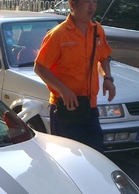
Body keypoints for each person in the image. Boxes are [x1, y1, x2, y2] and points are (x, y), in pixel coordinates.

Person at [34, 0, 116, 153]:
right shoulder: (58, 34)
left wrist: (107, 78)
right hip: (66, 109)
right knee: (68, 162)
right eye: (86, 2)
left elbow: (103, 56)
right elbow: (40, 67)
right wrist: (63, 90)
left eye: (94, 1)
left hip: (89, 108)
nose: (92, 6)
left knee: (95, 157)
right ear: (73, 5)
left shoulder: (97, 30)